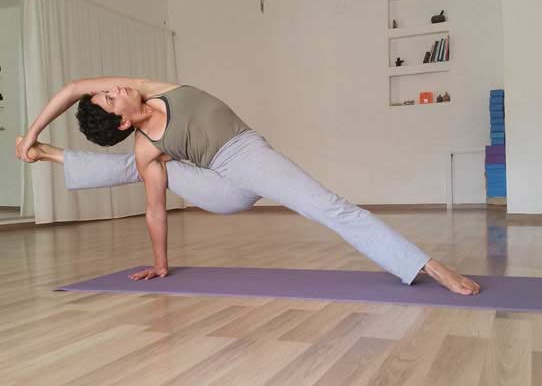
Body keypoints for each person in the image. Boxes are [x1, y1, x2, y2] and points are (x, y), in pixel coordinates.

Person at [16, 77, 481, 295]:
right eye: (109, 97)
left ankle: (53, 155)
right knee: (144, 169)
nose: (113, 88)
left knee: (327, 206)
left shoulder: (149, 87)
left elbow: (73, 88)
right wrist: (160, 264)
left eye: (108, 90)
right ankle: (431, 267)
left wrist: (32, 134)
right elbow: (154, 209)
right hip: (220, 190)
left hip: (246, 156)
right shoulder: (143, 146)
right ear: (121, 122)